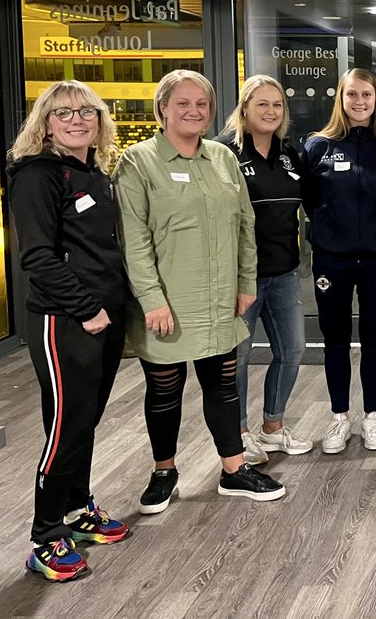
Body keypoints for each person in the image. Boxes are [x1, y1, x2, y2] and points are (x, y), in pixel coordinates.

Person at [116, 69, 285, 514]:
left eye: (202, 104)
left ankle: (233, 470)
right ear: (163, 109)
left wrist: (247, 283)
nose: (194, 111)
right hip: (167, 303)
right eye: (183, 103)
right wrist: (151, 299)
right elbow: (133, 240)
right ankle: (164, 472)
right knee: (165, 389)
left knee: (224, 384)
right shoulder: (137, 162)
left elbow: (246, 225)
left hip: (220, 299)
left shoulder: (222, 158)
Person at [9, 81, 131, 581]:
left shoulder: (94, 173)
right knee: (65, 426)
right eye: (63, 113)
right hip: (64, 320)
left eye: (87, 111)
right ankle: (44, 536)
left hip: (104, 315)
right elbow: (36, 256)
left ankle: (79, 510)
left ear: (100, 120)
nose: (77, 119)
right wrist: (85, 308)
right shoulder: (37, 175)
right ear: (46, 123)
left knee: (85, 419)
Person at [302, 68, 376, 454]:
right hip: (333, 260)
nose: (359, 102)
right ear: (340, 99)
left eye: (366, 95)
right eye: (352, 95)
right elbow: (311, 201)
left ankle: (372, 418)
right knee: (336, 340)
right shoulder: (317, 146)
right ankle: (340, 418)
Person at [215, 75, 312, 467]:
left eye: (277, 105)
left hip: (284, 272)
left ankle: (272, 428)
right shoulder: (223, 153)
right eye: (262, 104)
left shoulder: (291, 153)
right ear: (244, 109)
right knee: (236, 358)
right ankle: (238, 434)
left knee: (292, 350)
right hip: (240, 276)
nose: (271, 112)